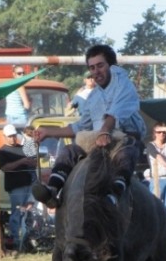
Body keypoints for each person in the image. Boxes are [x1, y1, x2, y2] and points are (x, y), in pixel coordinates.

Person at [32, 44, 145, 208]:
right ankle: (52, 190)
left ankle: (114, 194)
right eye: (92, 68)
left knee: (128, 147)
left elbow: (116, 111)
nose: (96, 71)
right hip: (97, 145)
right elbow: (80, 127)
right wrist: (47, 132)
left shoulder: (124, 83)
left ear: (111, 66)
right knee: (69, 151)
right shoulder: (92, 97)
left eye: (100, 65)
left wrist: (105, 131)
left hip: (123, 140)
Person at [0, 124, 37, 244]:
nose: (12, 138)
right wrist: (22, 161)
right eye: (9, 136)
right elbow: (5, 168)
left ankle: (29, 237)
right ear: (4, 137)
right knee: (17, 212)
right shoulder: (2, 151)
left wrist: (32, 158)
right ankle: (15, 238)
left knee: (30, 211)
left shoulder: (25, 146)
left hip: (29, 183)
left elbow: (35, 162)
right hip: (15, 186)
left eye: (14, 135)